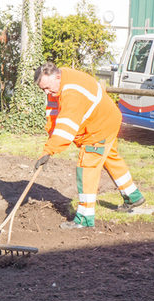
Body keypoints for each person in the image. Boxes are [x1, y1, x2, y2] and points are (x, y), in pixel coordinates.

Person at [33, 62, 144, 229]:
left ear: (57, 76)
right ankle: (133, 195)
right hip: (107, 119)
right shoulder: (59, 83)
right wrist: (50, 142)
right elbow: (55, 115)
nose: (47, 93)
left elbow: (66, 128)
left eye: (48, 88)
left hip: (99, 127)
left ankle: (84, 219)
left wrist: (49, 150)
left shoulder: (72, 92)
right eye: (43, 90)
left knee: (87, 167)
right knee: (110, 158)